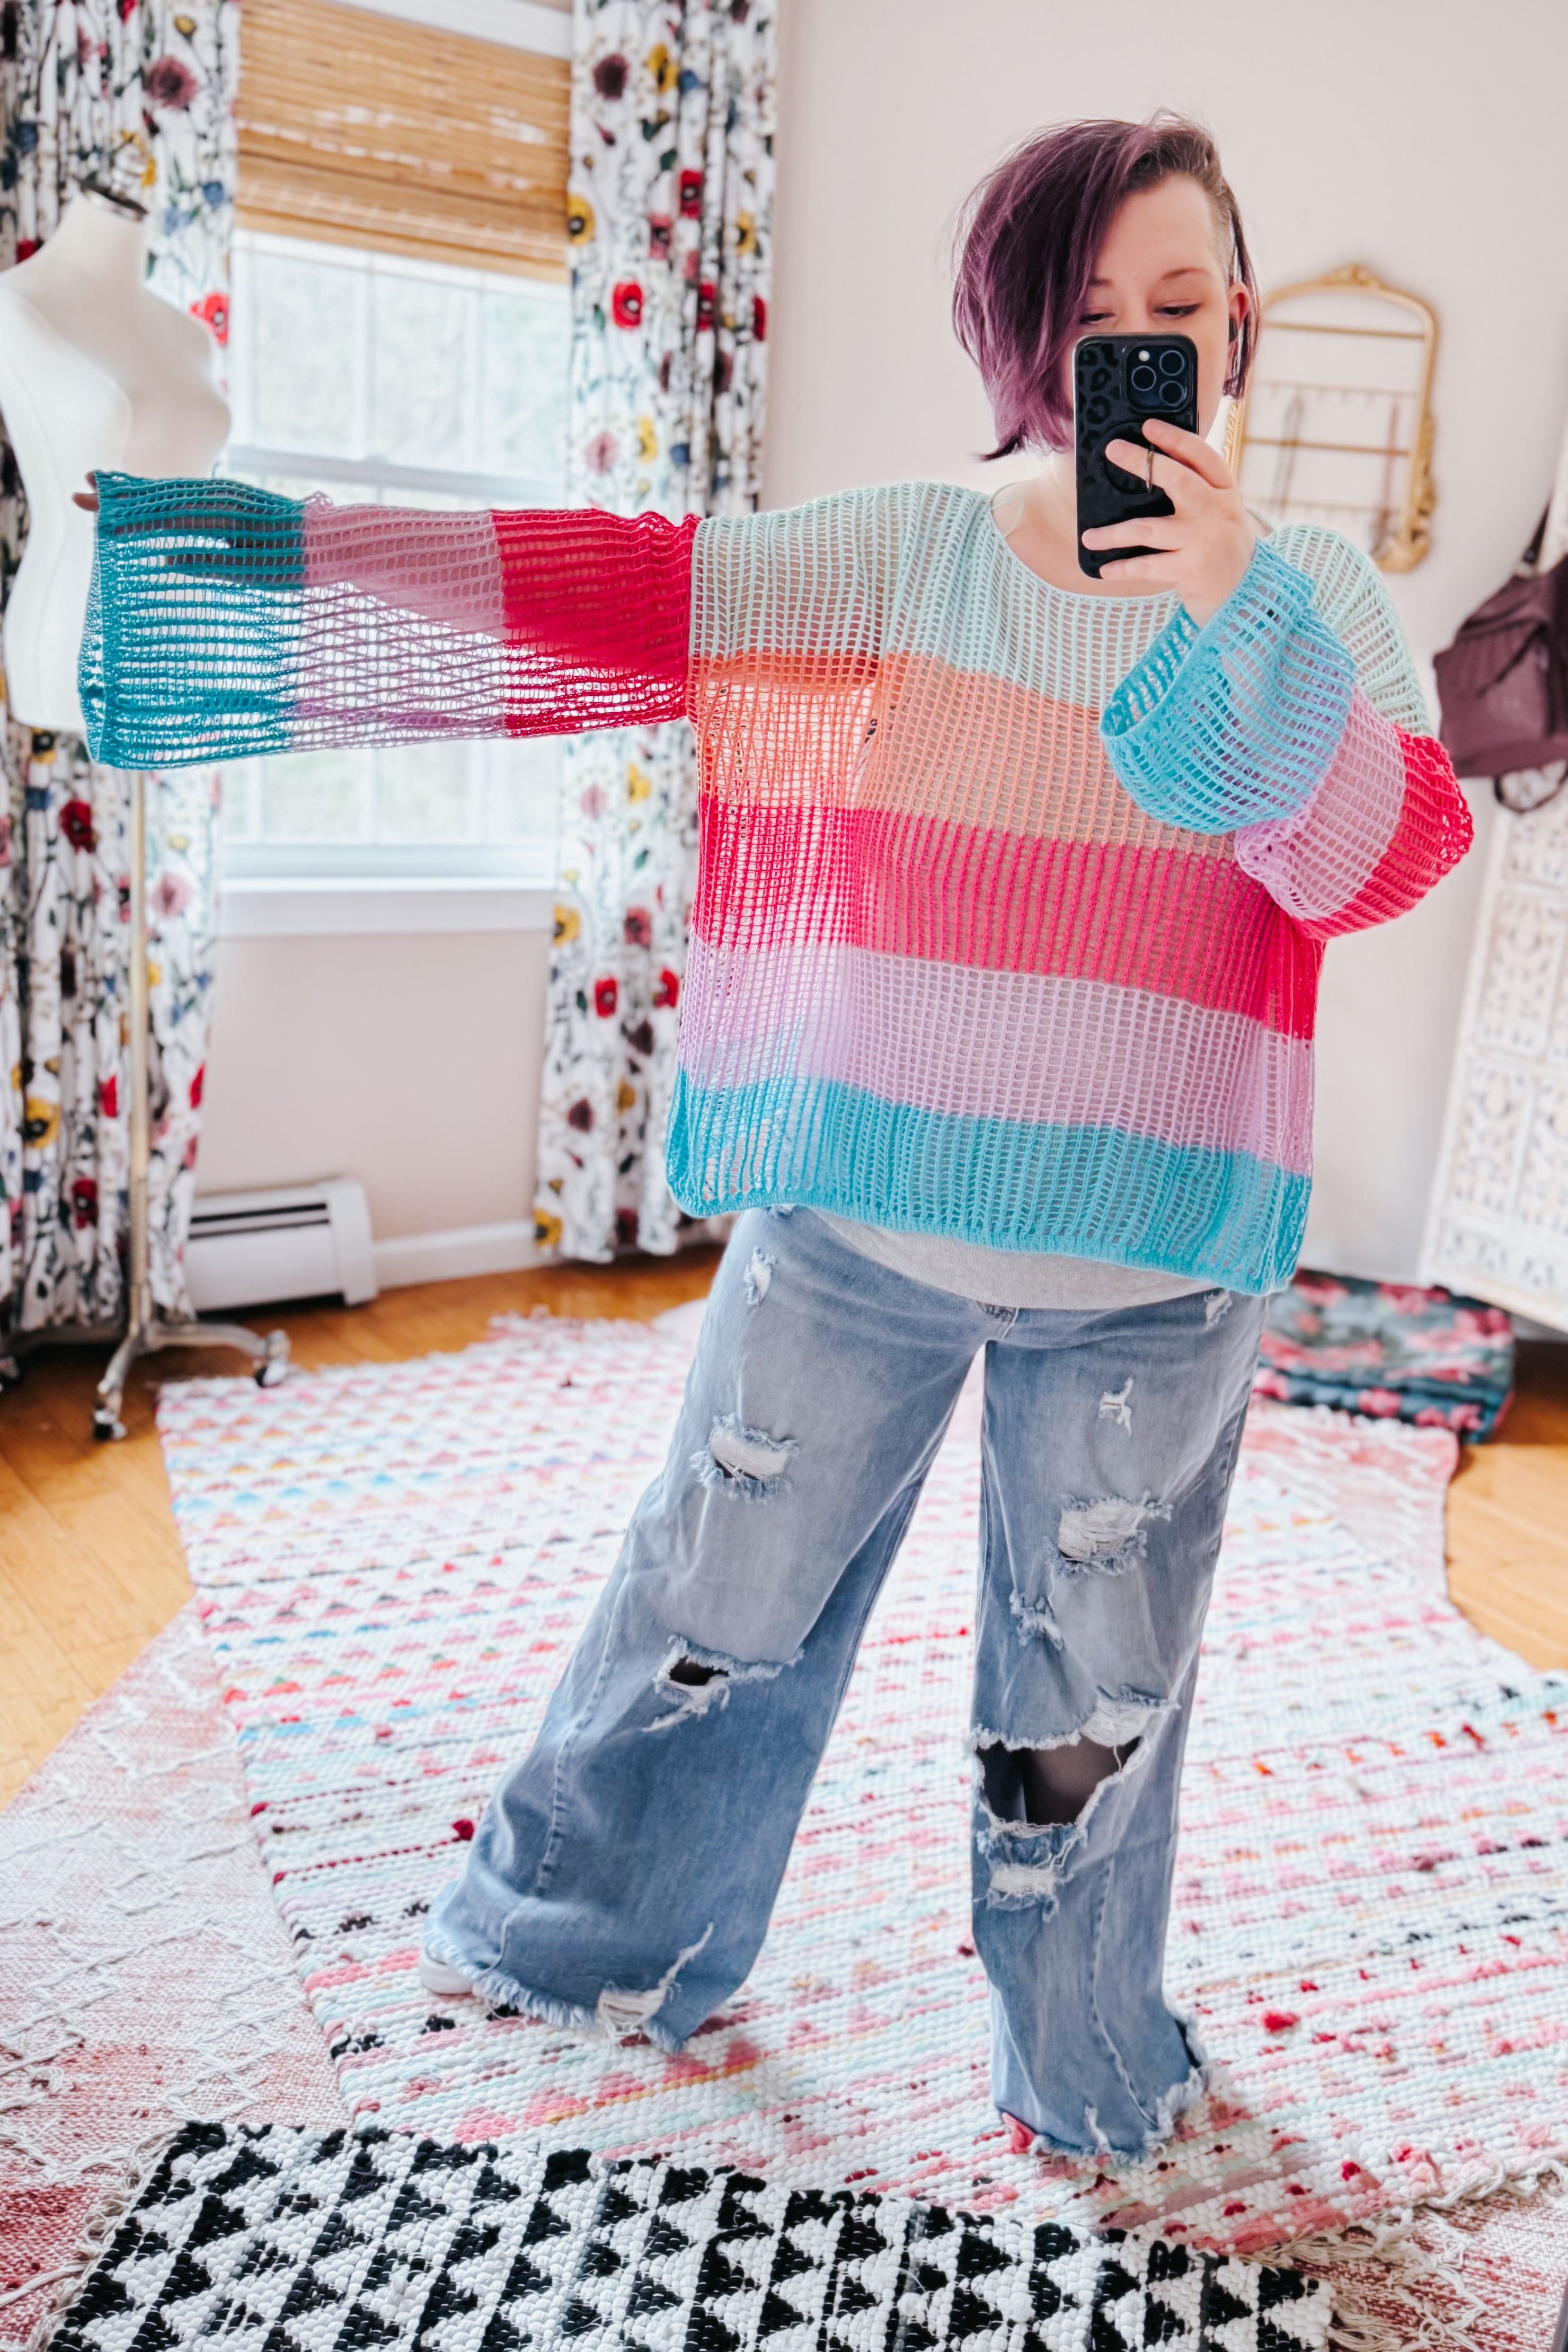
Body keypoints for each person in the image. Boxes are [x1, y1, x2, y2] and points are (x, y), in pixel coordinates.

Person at [79, 114, 1471, 2159]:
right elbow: (615, 601)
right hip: (866, 1217)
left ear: (1240, 331)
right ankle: (580, 1930)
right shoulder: (905, 552)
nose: (1146, 357)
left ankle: (1082, 2055)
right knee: (709, 1605)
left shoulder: (1323, 601)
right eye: (1096, 322)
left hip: (1156, 1263)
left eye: (1183, 311)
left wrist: (1233, 605)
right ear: (1020, 343)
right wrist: (231, 572)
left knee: (1092, 1706)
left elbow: (1370, 859)